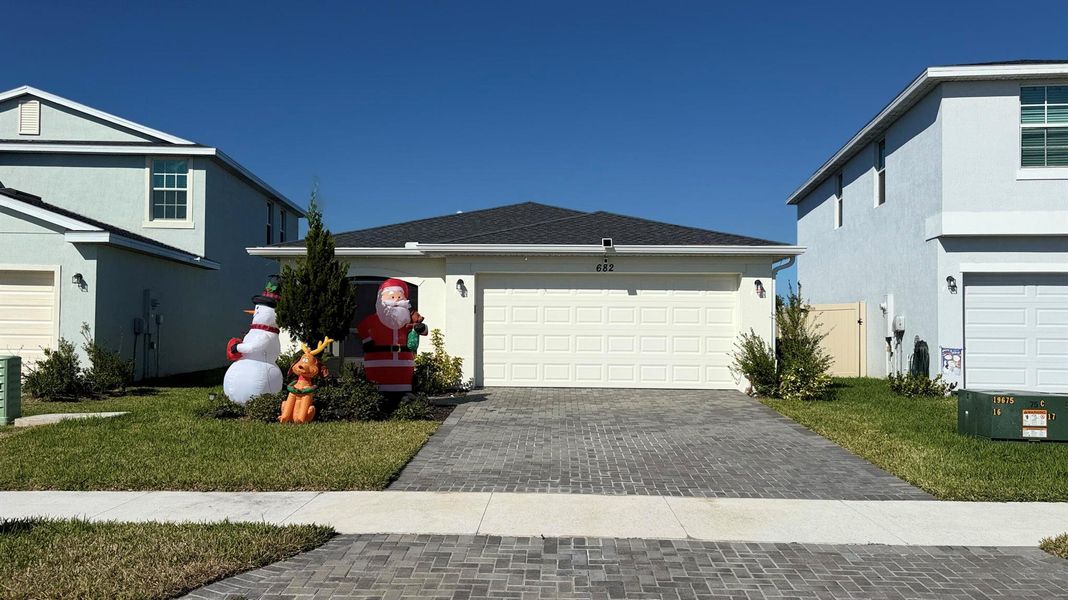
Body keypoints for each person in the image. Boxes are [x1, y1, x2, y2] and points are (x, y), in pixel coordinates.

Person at [357, 278, 427, 397]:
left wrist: (421, 328)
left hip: (403, 361)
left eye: (399, 297)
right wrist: (367, 340)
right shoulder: (373, 319)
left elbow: (424, 331)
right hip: (377, 360)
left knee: (402, 385)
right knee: (379, 386)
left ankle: (404, 396)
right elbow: (361, 328)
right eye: (391, 297)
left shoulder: (407, 319)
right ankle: (379, 397)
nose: (396, 300)